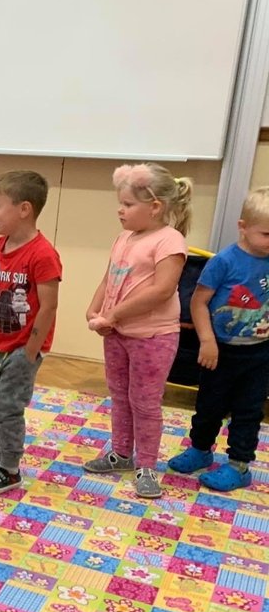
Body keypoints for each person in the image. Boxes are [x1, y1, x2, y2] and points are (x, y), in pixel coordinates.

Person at [84, 164, 189, 498]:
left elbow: (162, 290)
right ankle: (121, 453)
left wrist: (113, 315)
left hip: (153, 337)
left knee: (144, 402)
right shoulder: (124, 237)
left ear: (155, 207)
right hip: (118, 334)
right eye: (121, 203)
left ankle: (146, 465)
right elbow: (110, 277)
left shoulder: (170, 240)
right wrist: (95, 309)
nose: (120, 210)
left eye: (128, 204)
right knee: (119, 395)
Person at [0, 170, 62, 494]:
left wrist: (29, 352)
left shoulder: (43, 254)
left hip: (21, 350)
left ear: (24, 209)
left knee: (8, 408)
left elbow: (48, 306)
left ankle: (10, 468)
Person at [168, 186, 269, 491]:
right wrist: (207, 340)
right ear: (243, 227)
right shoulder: (224, 262)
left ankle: (239, 466)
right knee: (209, 405)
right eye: (266, 234)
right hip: (220, 351)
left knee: (248, 411)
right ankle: (200, 450)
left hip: (259, 354)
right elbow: (199, 303)